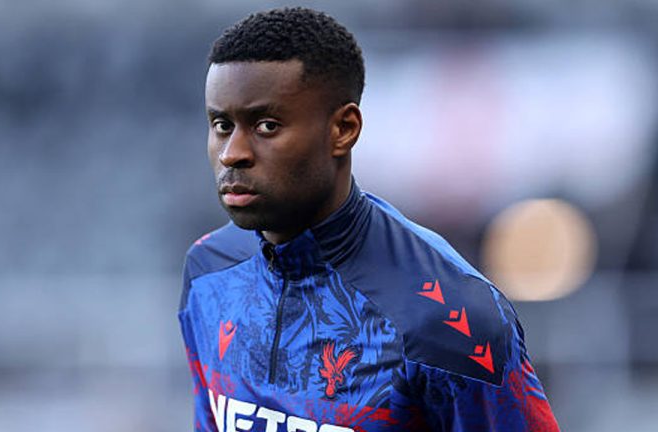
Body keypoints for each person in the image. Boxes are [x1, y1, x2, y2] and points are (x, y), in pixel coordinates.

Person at [179, 7, 559, 432]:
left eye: (267, 126)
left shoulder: (451, 318)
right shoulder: (209, 272)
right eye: (221, 125)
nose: (232, 153)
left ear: (343, 129)